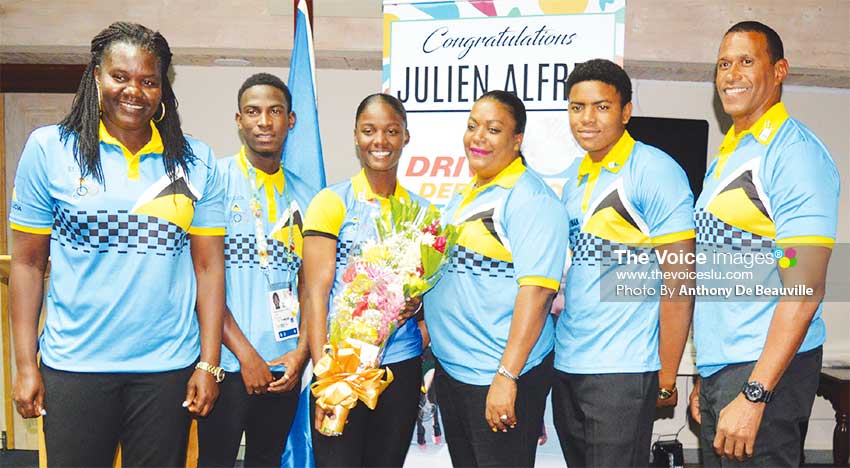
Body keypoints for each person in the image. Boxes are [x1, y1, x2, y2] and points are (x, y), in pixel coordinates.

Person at [9, 22, 225, 467]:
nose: (134, 91)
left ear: (163, 87)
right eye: (120, 77)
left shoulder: (196, 160)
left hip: (167, 369)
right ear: (96, 77)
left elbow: (208, 269)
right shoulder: (50, 149)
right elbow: (28, 265)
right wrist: (25, 364)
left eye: (148, 80)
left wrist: (207, 362)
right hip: (75, 367)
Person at [689, 21, 839, 465]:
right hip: (726, 370)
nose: (731, 73)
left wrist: (754, 394)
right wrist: (707, 374)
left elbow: (805, 287)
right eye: (723, 64)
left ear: (779, 71)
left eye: (746, 61)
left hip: (765, 372)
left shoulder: (794, 153)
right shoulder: (730, 155)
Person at [553, 59, 696, 467]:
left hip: (623, 370)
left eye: (601, 106)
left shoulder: (654, 170)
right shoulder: (574, 178)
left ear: (626, 111)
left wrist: (667, 377)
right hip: (569, 364)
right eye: (577, 107)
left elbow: (680, 282)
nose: (587, 118)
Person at [424, 90, 568, 467]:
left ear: (517, 139)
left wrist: (507, 376)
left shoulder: (529, 199)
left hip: (498, 375)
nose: (478, 137)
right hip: (456, 372)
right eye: (472, 126)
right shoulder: (466, 194)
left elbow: (537, 295)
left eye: (493, 129)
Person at [197, 73, 314, 468]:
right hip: (227, 364)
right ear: (238, 119)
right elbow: (200, 280)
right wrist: (247, 357)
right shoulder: (213, 183)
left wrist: (301, 353)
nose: (264, 121)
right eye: (253, 111)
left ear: (291, 120)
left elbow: (311, 286)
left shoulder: (309, 196)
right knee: (215, 461)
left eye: (275, 111)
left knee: (267, 461)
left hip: (283, 367)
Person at [301, 93, 425, 467]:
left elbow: (423, 291)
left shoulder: (421, 211)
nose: (380, 141)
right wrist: (327, 376)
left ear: (406, 136)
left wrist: (415, 303)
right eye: (369, 131)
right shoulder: (332, 202)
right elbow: (315, 292)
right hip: (341, 366)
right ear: (355, 136)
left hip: (399, 366)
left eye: (391, 131)